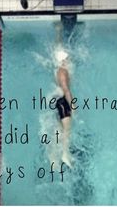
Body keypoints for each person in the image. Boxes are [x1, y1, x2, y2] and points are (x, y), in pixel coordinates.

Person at [54, 25, 74, 168]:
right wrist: (73, 104)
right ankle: (65, 154)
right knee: (67, 129)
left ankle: (55, 157)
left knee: (61, 129)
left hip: (58, 101)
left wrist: (58, 32)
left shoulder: (59, 69)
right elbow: (66, 90)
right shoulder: (63, 72)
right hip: (63, 101)